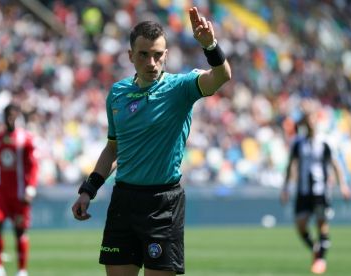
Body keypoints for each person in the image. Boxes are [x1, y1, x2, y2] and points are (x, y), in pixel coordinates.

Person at [71, 6, 231, 276]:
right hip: (123, 200)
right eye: (144, 55)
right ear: (131, 55)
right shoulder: (118, 94)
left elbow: (221, 76)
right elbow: (113, 149)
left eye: (158, 55)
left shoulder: (181, 88)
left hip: (163, 203)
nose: (151, 62)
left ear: (166, 55)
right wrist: (89, 189)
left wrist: (210, 45)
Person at [281, 112, 351, 275]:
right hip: (303, 191)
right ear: (305, 123)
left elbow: (335, 164)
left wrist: (343, 185)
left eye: (314, 120)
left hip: (321, 191)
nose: (312, 124)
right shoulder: (298, 143)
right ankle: (315, 248)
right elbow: (291, 165)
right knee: (300, 225)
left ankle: (320, 259)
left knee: (322, 225)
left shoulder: (325, 141)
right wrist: (285, 187)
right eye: (309, 121)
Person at [0, 103, 38, 276]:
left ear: (18, 117)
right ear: (4, 117)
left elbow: (33, 166)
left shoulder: (26, 139)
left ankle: (22, 271)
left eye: (13, 115)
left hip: (20, 193)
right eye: (8, 115)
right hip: (1, 193)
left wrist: (31, 187)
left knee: (20, 230)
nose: (10, 118)